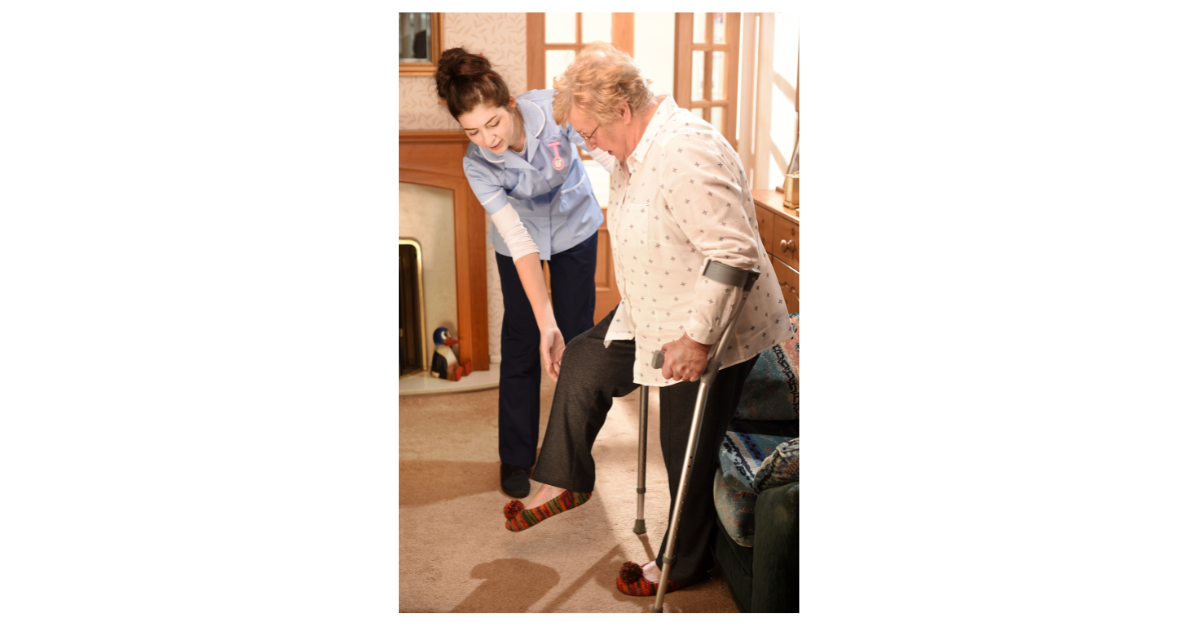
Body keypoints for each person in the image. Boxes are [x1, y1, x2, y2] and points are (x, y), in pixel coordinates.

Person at [498, 41, 794, 598]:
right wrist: (512, 129)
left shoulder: (684, 151)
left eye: (591, 133)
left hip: (706, 326)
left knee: (684, 446)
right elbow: (579, 140)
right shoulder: (633, 143)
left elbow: (733, 255)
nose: (589, 146)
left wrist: (697, 340)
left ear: (623, 112)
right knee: (584, 361)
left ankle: (681, 564)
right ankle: (565, 481)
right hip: (652, 309)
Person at [434, 48, 618, 499]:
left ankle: (571, 457)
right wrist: (543, 321)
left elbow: (608, 153)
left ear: (510, 103)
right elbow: (518, 241)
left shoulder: (554, 109)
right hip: (520, 242)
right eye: (472, 131)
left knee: (578, 341)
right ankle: (516, 457)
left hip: (575, 227)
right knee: (521, 340)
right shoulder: (477, 165)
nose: (487, 138)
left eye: (492, 123)